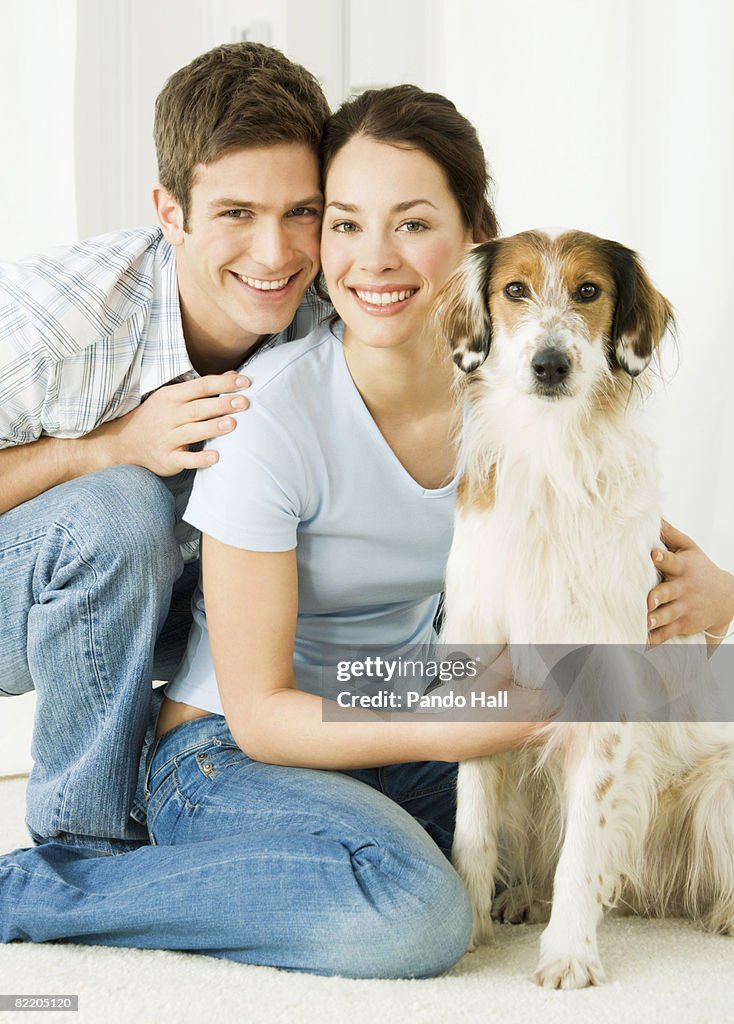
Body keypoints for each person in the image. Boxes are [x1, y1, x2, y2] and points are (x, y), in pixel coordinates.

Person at [0, 42, 330, 851]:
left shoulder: (340, 308)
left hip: (185, 604)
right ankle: (82, 849)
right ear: (171, 212)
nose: (276, 253)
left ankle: (192, 776)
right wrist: (105, 447)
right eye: (236, 214)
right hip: (25, 592)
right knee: (120, 510)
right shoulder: (58, 322)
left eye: (302, 212)